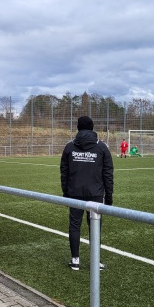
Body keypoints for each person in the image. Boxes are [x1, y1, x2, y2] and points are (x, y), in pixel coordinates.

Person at [60, 116, 113, 271]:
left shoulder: (69, 147)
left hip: (74, 193)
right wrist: (109, 197)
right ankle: (95, 262)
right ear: (92, 128)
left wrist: (66, 193)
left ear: (77, 128)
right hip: (96, 194)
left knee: (74, 226)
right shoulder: (102, 147)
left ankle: (75, 261)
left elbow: (64, 173)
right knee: (95, 227)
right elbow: (108, 174)